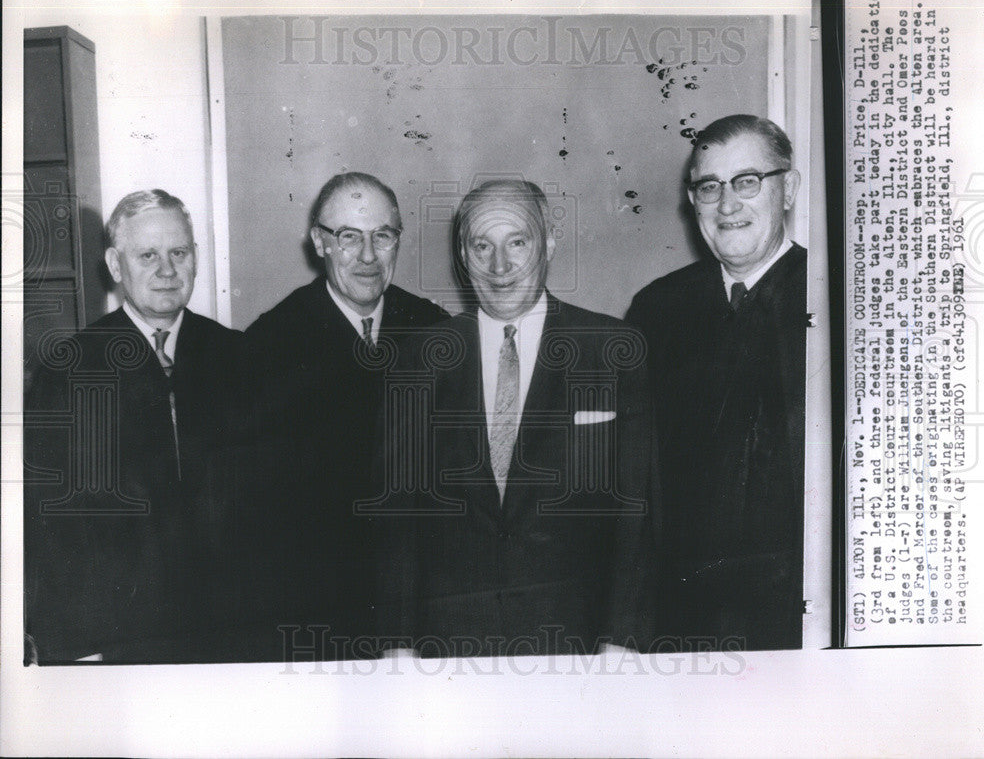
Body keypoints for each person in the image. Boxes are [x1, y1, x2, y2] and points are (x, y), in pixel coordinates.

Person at [374, 179, 657, 658]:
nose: (499, 267)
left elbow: (637, 513)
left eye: (517, 243)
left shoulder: (612, 350)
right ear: (463, 255)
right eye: (481, 245)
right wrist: (396, 646)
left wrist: (623, 641)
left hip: (575, 646)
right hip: (449, 650)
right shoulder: (417, 359)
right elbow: (398, 521)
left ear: (548, 242)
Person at [23, 189, 246, 663]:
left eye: (179, 253)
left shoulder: (239, 357)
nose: (167, 270)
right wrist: (76, 647)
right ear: (115, 264)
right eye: (147, 255)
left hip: (230, 631)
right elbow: (47, 526)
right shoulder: (69, 370)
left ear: (196, 258)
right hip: (120, 639)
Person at [242, 172, 448, 661]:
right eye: (349, 237)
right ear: (320, 242)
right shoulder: (268, 346)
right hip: (319, 615)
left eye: (383, 235)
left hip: (423, 610)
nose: (369, 256)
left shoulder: (435, 332)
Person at [626, 114, 807, 651]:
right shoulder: (657, 310)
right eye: (710, 187)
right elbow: (632, 481)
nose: (727, 206)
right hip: (678, 622)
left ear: (788, 189)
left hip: (787, 624)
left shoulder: (834, 299)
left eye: (747, 182)